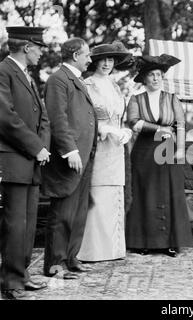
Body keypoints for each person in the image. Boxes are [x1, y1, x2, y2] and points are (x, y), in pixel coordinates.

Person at [0, 26, 50, 299]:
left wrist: (42, 148)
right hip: (14, 158)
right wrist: (36, 147)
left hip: (30, 159)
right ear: (27, 47)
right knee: (15, 223)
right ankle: (11, 283)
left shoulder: (25, 75)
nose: (42, 52)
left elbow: (41, 117)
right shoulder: (4, 71)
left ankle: (21, 274)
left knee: (28, 222)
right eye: (39, 47)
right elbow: (5, 117)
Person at [126, 54, 193, 257]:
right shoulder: (136, 99)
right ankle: (145, 242)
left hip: (168, 151)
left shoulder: (172, 98)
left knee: (168, 193)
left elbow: (180, 125)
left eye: (158, 74)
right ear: (144, 78)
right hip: (144, 152)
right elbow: (134, 122)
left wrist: (180, 150)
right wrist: (158, 129)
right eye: (151, 75)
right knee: (145, 194)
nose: (155, 78)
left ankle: (170, 242)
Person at [42, 38, 97, 279]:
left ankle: (71, 258)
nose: (90, 59)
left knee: (78, 211)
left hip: (84, 155)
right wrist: (70, 150)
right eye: (87, 55)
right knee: (63, 211)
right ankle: (55, 263)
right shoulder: (58, 79)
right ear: (75, 55)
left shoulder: (76, 80)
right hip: (71, 157)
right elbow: (57, 119)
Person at [77, 42, 132, 262]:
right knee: (97, 194)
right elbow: (82, 118)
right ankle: (92, 250)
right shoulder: (87, 84)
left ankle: (113, 249)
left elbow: (119, 116)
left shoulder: (115, 86)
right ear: (94, 62)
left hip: (116, 148)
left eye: (111, 60)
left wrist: (123, 130)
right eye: (103, 59)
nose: (108, 64)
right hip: (96, 146)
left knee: (113, 194)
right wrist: (105, 128)